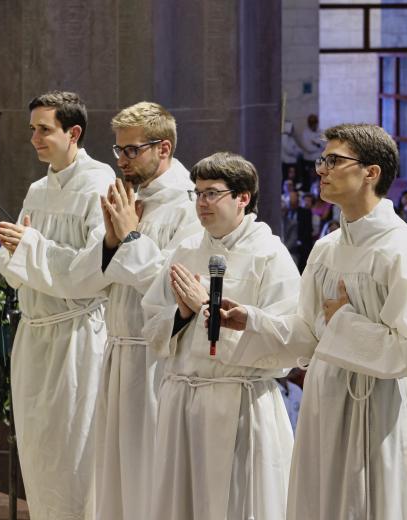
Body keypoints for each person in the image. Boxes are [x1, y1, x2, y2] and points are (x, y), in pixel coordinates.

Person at [213, 124, 407, 520]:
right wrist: (252, 320)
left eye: (334, 161)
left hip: (376, 404)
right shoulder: (326, 248)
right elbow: (307, 333)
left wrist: (344, 322)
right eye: (323, 160)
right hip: (326, 396)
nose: (321, 169)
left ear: (371, 173)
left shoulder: (401, 248)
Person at [141, 152, 300, 519]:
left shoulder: (269, 255)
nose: (201, 203)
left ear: (243, 197)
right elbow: (151, 321)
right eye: (196, 193)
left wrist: (204, 311)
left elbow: (289, 341)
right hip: (182, 399)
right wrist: (182, 314)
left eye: (212, 193)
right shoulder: (186, 250)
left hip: (238, 402)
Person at [0, 91, 115, 519]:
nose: (34, 139)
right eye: (32, 130)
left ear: (73, 132)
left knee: (75, 455)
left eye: (44, 129)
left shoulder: (100, 185)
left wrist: (30, 248)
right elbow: (12, 265)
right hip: (35, 335)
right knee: (39, 451)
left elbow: (94, 271)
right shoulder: (38, 189)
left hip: (76, 337)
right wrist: (23, 251)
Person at [93, 102, 201, 520]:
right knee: (113, 477)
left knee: (148, 476)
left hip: (155, 357)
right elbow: (109, 276)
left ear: (164, 148)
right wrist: (111, 238)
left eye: (131, 150)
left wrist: (129, 234)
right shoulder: (132, 197)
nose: (121, 160)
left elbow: (174, 285)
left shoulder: (189, 204)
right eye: (118, 151)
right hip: (119, 350)